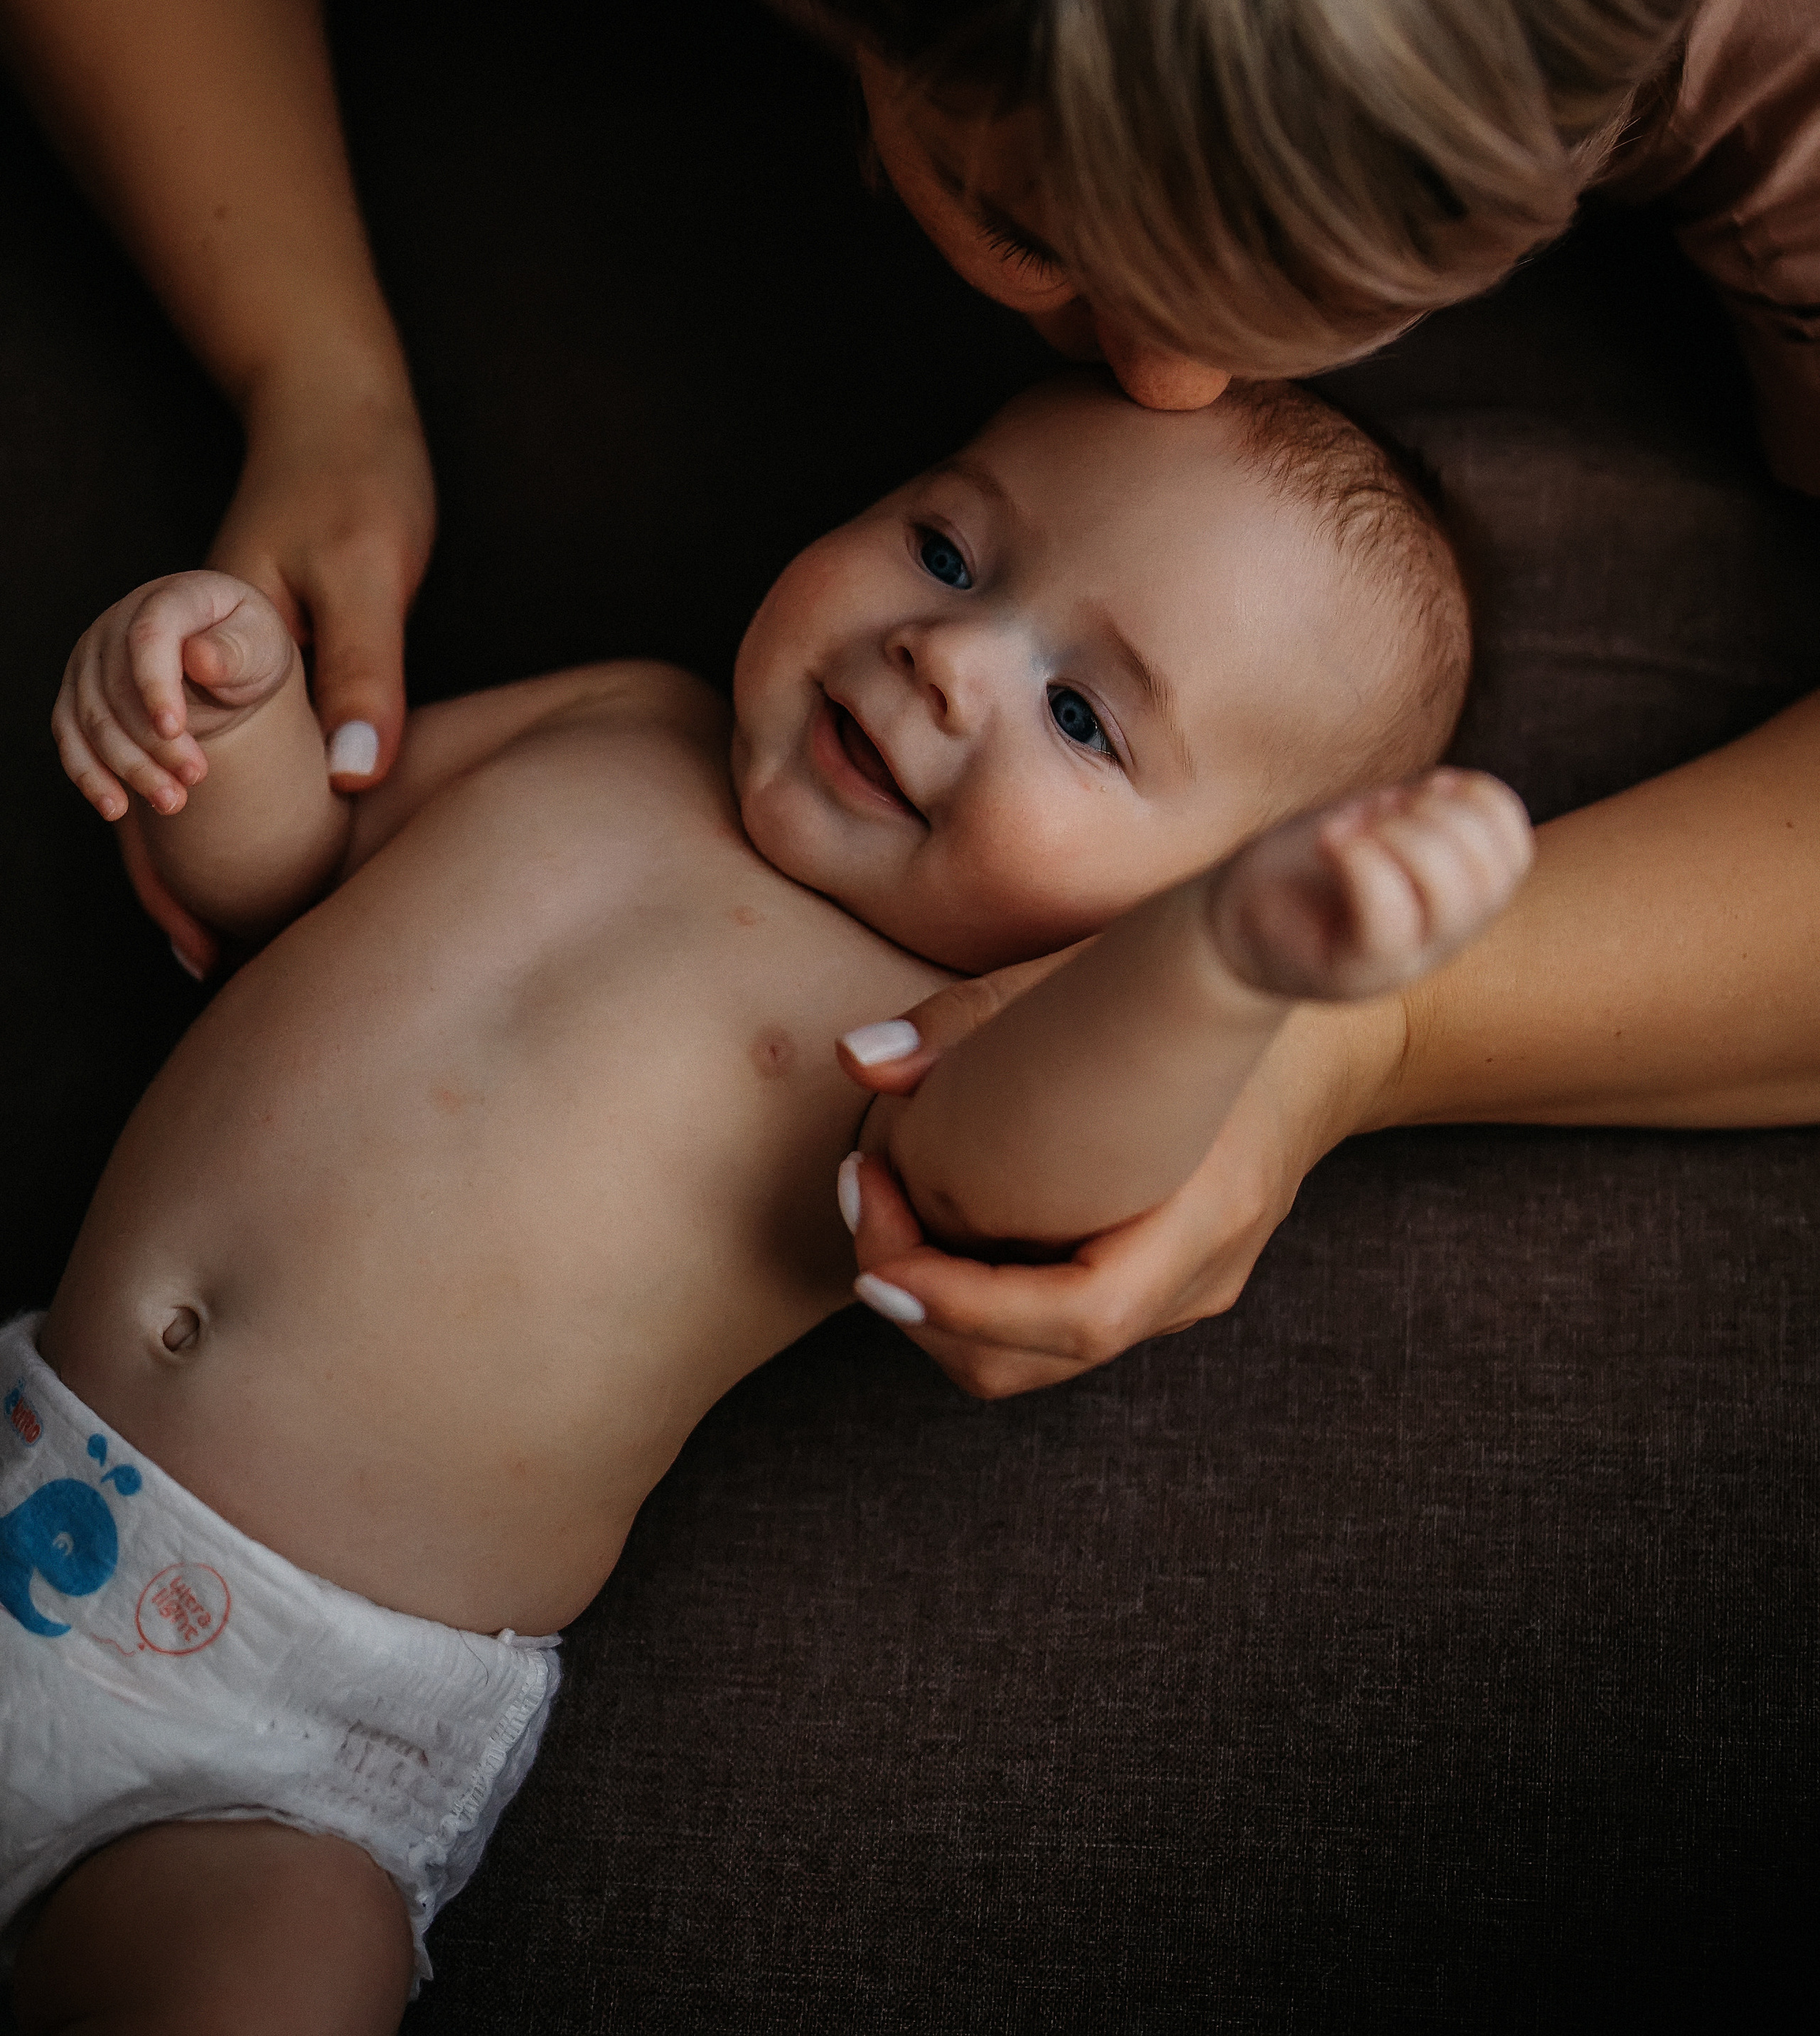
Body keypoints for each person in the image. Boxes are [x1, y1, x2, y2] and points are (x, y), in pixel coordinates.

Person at [0, 0, 1815, 1407]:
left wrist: (1337, 1019)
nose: (1161, 383)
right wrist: (308, 390)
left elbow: (1009, 1153)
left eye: (1357, 275)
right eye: (951, 547)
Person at [6, 374, 1529, 2026]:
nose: (943, 655)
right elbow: (283, 876)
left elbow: (1027, 1168)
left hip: (265, 1766)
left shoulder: (936, 1048)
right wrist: (219, 709)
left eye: (1082, 718)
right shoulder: (619, 715)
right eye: (946, 549)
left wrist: (1219, 978)